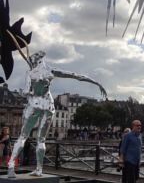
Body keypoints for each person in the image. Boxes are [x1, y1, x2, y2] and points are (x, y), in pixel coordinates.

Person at [6, 49, 106, 178]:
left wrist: (28, 92)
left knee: (23, 136)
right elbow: (76, 76)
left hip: (34, 105)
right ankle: (39, 169)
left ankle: (10, 166)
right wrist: (96, 82)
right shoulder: (51, 71)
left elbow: (25, 92)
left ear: (36, 61)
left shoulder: (30, 73)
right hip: (48, 106)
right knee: (41, 140)